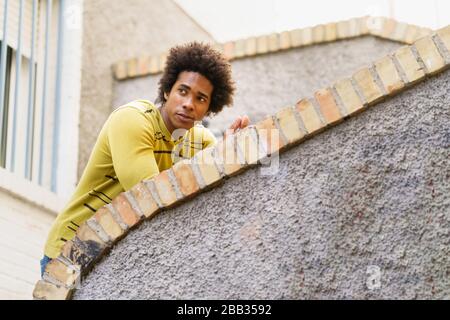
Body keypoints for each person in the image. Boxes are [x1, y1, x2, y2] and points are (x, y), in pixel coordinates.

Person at [40, 42, 249, 277]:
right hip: (73, 248)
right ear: (167, 91)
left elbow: (211, 197)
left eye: (200, 98)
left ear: (209, 108)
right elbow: (151, 198)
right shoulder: (133, 120)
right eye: (183, 91)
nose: (189, 103)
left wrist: (227, 154)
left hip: (120, 259)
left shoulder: (201, 141)